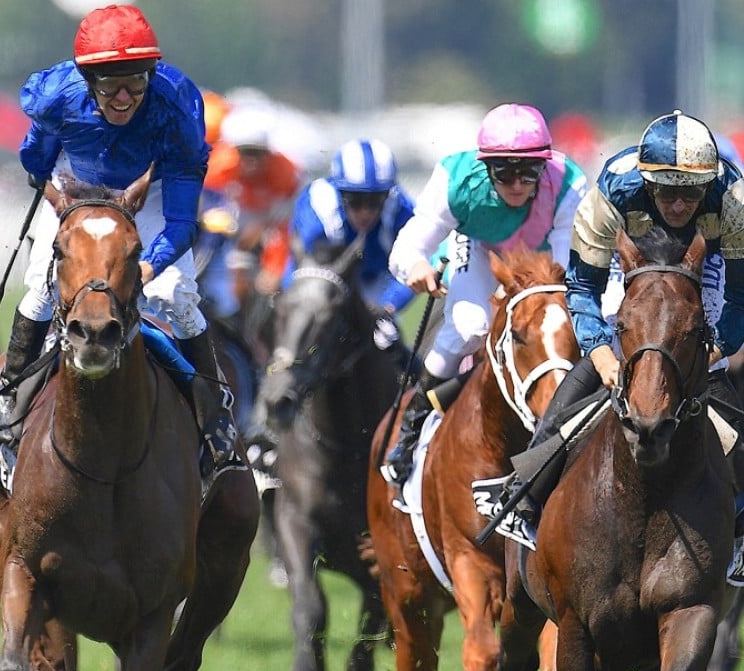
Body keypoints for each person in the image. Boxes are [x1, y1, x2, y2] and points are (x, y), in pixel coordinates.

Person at [0, 3, 243, 484]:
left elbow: (182, 222)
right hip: (75, 187)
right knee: (41, 289)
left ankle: (214, 410)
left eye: (136, 81)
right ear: (86, 80)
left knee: (176, 295)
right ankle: (11, 398)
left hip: (154, 188)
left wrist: (147, 269)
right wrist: (62, 203)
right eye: (110, 84)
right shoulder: (55, 97)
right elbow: (37, 166)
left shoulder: (178, 106)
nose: (125, 96)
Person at [498, 110, 744, 586]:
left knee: (706, 370)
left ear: (708, 186)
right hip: (626, 262)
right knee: (617, 348)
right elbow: (583, 288)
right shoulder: (612, 190)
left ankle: (737, 530)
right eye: (666, 191)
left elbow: (739, 297)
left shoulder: (733, 201)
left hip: (704, 262)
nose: (677, 203)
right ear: (646, 182)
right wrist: (601, 351)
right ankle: (524, 492)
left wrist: (713, 353)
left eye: (690, 192)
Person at [379, 103, 588, 492]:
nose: (516, 184)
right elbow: (406, 247)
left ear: (546, 165)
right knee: (470, 329)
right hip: (482, 250)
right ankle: (414, 425)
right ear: (484, 166)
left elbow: (563, 271)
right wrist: (417, 268)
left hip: (543, 264)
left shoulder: (569, 184)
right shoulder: (453, 181)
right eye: (503, 171)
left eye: (528, 171)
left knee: (569, 328)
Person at [287, 137, 416, 338]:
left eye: (375, 201)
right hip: (323, 278)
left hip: (375, 282)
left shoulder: (402, 211)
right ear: (340, 193)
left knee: (386, 337)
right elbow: (301, 267)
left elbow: (414, 269)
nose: (365, 212)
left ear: (388, 195)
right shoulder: (317, 210)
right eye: (355, 201)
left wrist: (389, 305)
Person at [198, 105, 301, 322]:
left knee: (280, 282)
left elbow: (284, 227)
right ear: (234, 150)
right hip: (229, 227)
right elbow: (204, 208)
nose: (251, 161)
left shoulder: (285, 173)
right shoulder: (217, 167)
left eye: (258, 153)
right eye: (245, 153)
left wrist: (275, 267)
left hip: (267, 226)